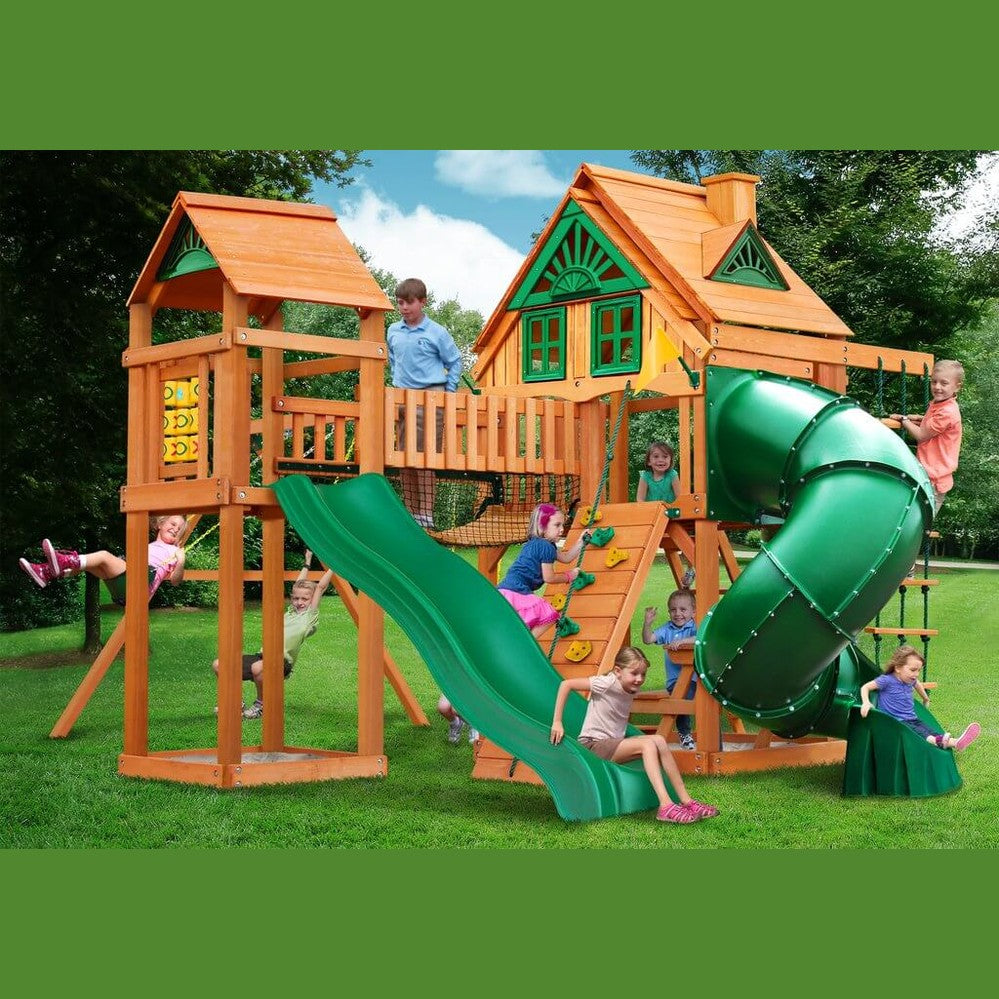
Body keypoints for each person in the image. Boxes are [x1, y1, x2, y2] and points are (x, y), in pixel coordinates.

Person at [550, 646, 719, 824]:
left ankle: (687, 801)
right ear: (618, 671)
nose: (639, 679)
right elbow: (566, 684)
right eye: (634, 673)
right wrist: (557, 722)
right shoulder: (606, 682)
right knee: (647, 745)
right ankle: (666, 806)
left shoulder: (628, 685)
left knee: (659, 740)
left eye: (643, 674)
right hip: (593, 746)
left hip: (613, 744)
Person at [213, 549, 333, 719]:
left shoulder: (309, 617)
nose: (299, 602)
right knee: (219, 664)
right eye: (296, 598)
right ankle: (234, 703)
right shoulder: (290, 612)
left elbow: (320, 587)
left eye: (304, 599)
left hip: (282, 662)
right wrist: (307, 561)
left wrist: (334, 566)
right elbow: (298, 584)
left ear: (311, 600)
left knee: (257, 667)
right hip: (263, 656)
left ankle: (262, 705)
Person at [386, 277, 463, 529]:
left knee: (425, 457)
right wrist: (396, 380)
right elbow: (393, 359)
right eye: (400, 303)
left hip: (429, 397)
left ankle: (426, 513)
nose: (404, 308)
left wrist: (447, 393)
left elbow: (455, 361)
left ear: (422, 302)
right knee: (404, 458)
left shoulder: (436, 332)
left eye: (409, 303)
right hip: (402, 397)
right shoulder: (393, 331)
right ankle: (410, 513)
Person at [19, 514, 188, 603]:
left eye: (179, 529)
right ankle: (46, 572)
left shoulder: (174, 551)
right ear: (160, 524)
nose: (175, 529)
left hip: (140, 586)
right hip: (128, 584)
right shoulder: (149, 546)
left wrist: (181, 560)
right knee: (92, 565)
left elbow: (175, 581)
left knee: (103, 556)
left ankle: (63, 561)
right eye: (172, 524)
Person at [859, 644, 980, 751]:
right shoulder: (887, 680)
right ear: (898, 668)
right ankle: (943, 741)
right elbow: (865, 687)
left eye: (918, 670)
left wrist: (925, 698)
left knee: (928, 729)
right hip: (895, 722)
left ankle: (954, 742)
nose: (916, 674)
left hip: (911, 717)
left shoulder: (910, 680)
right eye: (912, 670)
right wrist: (866, 703)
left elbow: (918, 685)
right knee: (921, 734)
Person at [497, 502, 590, 639]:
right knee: (549, 615)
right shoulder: (545, 546)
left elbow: (566, 558)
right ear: (542, 527)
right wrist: (569, 576)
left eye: (562, 525)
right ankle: (528, 644)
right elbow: (549, 578)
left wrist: (581, 542)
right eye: (557, 525)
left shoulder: (541, 544)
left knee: (520, 623)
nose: (561, 529)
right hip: (517, 590)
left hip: (508, 589)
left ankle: (522, 641)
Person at [890, 359, 964, 513]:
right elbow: (931, 425)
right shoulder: (941, 404)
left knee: (920, 525)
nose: (937, 387)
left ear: (957, 387)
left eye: (944, 383)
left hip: (934, 481)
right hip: (927, 475)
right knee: (909, 518)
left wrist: (904, 420)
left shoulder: (947, 411)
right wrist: (917, 419)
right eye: (934, 382)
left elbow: (922, 435)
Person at [642, 588, 698, 751]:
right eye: (673, 610)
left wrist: (683, 642)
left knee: (699, 700)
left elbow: (700, 638)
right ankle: (685, 733)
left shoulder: (694, 627)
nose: (678, 614)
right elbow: (648, 639)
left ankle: (703, 734)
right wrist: (648, 623)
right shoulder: (667, 629)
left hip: (696, 678)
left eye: (683, 609)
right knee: (681, 698)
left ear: (693, 611)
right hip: (675, 681)